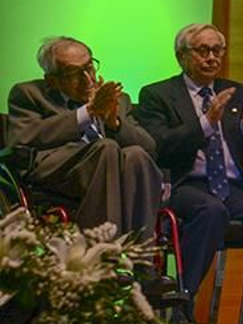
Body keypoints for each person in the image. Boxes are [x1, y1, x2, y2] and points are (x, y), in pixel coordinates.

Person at [135, 22, 243, 324]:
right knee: (211, 211)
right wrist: (208, 122)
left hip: (232, 187)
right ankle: (183, 300)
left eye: (217, 50)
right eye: (203, 50)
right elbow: (160, 147)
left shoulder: (234, 92)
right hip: (186, 185)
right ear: (182, 56)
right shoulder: (157, 95)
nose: (212, 57)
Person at [5, 36, 161, 236]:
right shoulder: (28, 94)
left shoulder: (117, 99)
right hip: (59, 171)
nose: (88, 78)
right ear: (52, 79)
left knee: (136, 155)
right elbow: (22, 137)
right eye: (74, 73)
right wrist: (87, 113)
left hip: (111, 168)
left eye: (90, 67)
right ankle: (102, 254)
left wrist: (113, 122)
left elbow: (149, 146)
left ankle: (140, 261)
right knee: (106, 148)